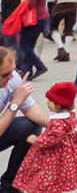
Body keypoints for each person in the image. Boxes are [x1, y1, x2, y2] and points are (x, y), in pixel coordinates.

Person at [12, 81, 77, 193]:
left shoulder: (59, 122)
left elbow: (52, 139)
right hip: (63, 152)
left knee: (46, 176)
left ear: (60, 103)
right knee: (56, 176)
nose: (47, 103)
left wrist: (36, 140)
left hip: (54, 154)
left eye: (50, 101)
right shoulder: (68, 115)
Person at [0, 45, 50, 193]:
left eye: (13, 71)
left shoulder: (12, 77)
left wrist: (58, 128)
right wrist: (15, 103)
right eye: (5, 74)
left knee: (31, 127)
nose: (11, 77)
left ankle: (10, 185)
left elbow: (30, 108)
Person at [18, 0, 49, 81]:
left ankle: (39, 66)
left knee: (24, 45)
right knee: (29, 45)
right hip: (41, 17)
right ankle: (27, 71)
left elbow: (30, 3)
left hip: (35, 19)